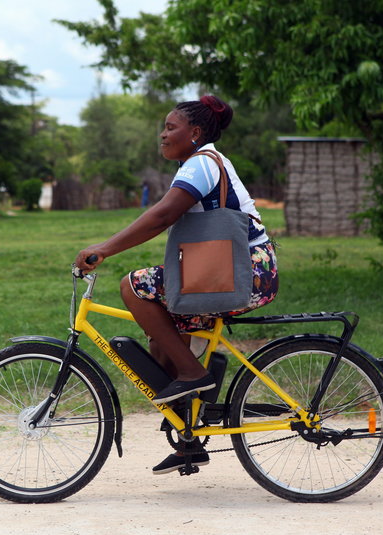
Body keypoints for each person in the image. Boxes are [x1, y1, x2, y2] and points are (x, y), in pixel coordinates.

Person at [75, 95, 278, 474]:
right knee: (162, 343)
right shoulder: (201, 162)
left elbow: (162, 216)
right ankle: (189, 439)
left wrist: (104, 249)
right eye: (163, 128)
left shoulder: (201, 164)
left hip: (244, 272)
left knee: (134, 286)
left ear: (195, 133)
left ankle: (194, 374)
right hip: (239, 268)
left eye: (171, 128)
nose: (163, 135)